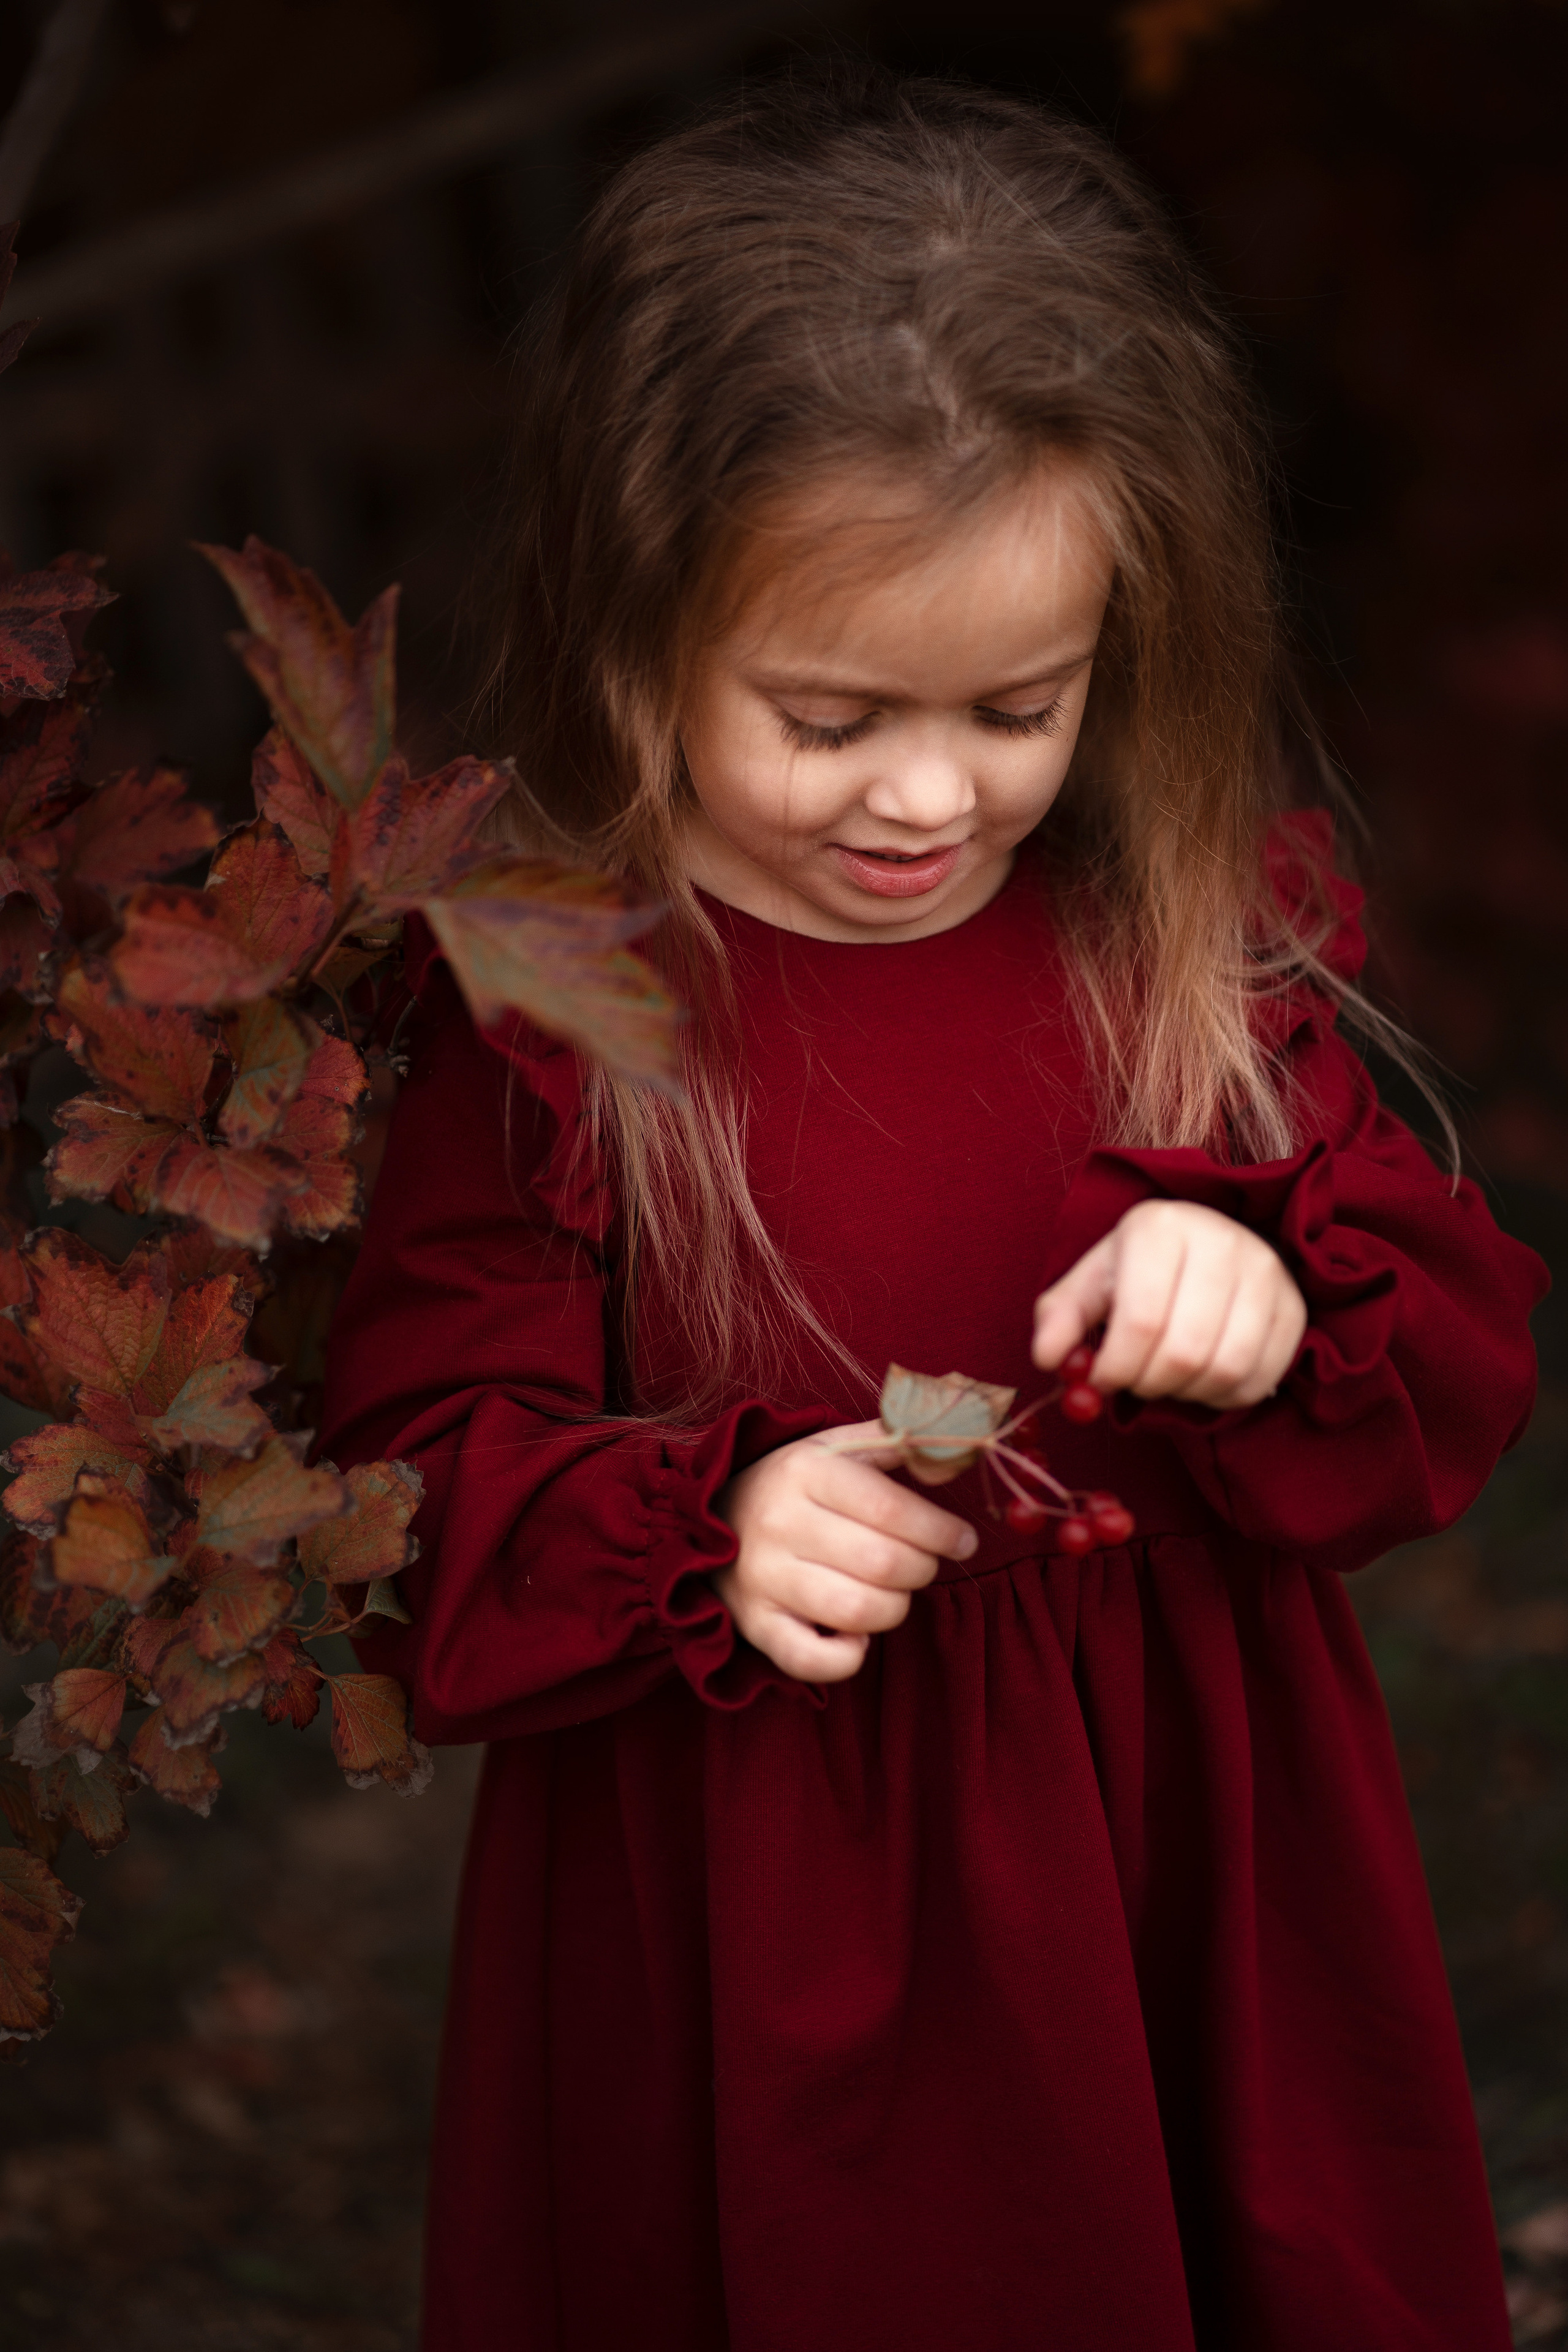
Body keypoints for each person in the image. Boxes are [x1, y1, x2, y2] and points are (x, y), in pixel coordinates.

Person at [321, 67, 1547, 2352]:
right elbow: (413, 1489)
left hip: (1184, 1819)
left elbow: (1437, 1370)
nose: (924, 794)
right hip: (772, 1885)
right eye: (826, 711)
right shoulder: (544, 1004)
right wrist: (712, 1523)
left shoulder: (1176, 918)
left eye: (1018, 706)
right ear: (633, 634)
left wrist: (1265, 1280)